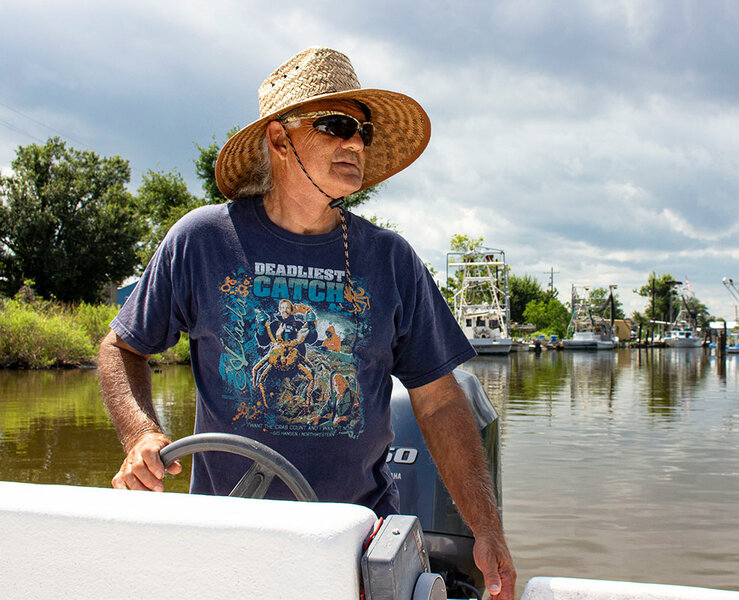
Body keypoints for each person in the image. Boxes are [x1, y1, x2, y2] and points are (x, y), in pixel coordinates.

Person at [98, 47, 516, 598]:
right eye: (338, 125)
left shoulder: (391, 259)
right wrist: (141, 432)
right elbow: (120, 348)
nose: (355, 143)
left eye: (362, 131)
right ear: (279, 138)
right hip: (226, 545)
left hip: (358, 552)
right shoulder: (201, 240)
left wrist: (486, 529)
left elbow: (438, 401)